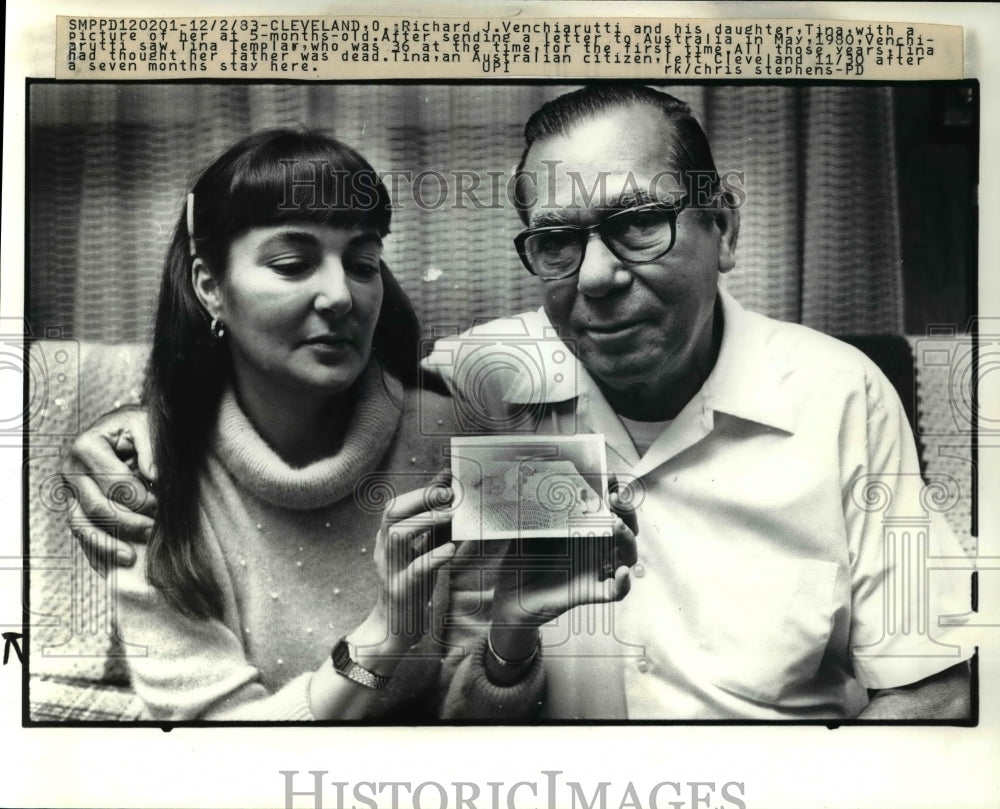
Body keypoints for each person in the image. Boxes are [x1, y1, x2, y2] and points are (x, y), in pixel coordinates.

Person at [66, 87, 972, 720]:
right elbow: (307, 374)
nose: (601, 276)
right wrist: (114, 441)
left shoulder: (842, 392)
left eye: (637, 222)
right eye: (559, 240)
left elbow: (935, 688)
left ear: (722, 226)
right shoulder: (485, 381)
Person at [58, 126, 635, 722]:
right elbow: (213, 748)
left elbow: (470, 717)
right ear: (210, 287)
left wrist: (511, 638)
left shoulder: (453, 430)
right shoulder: (142, 474)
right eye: (292, 263)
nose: (340, 295)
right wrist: (384, 636)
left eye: (363, 263)